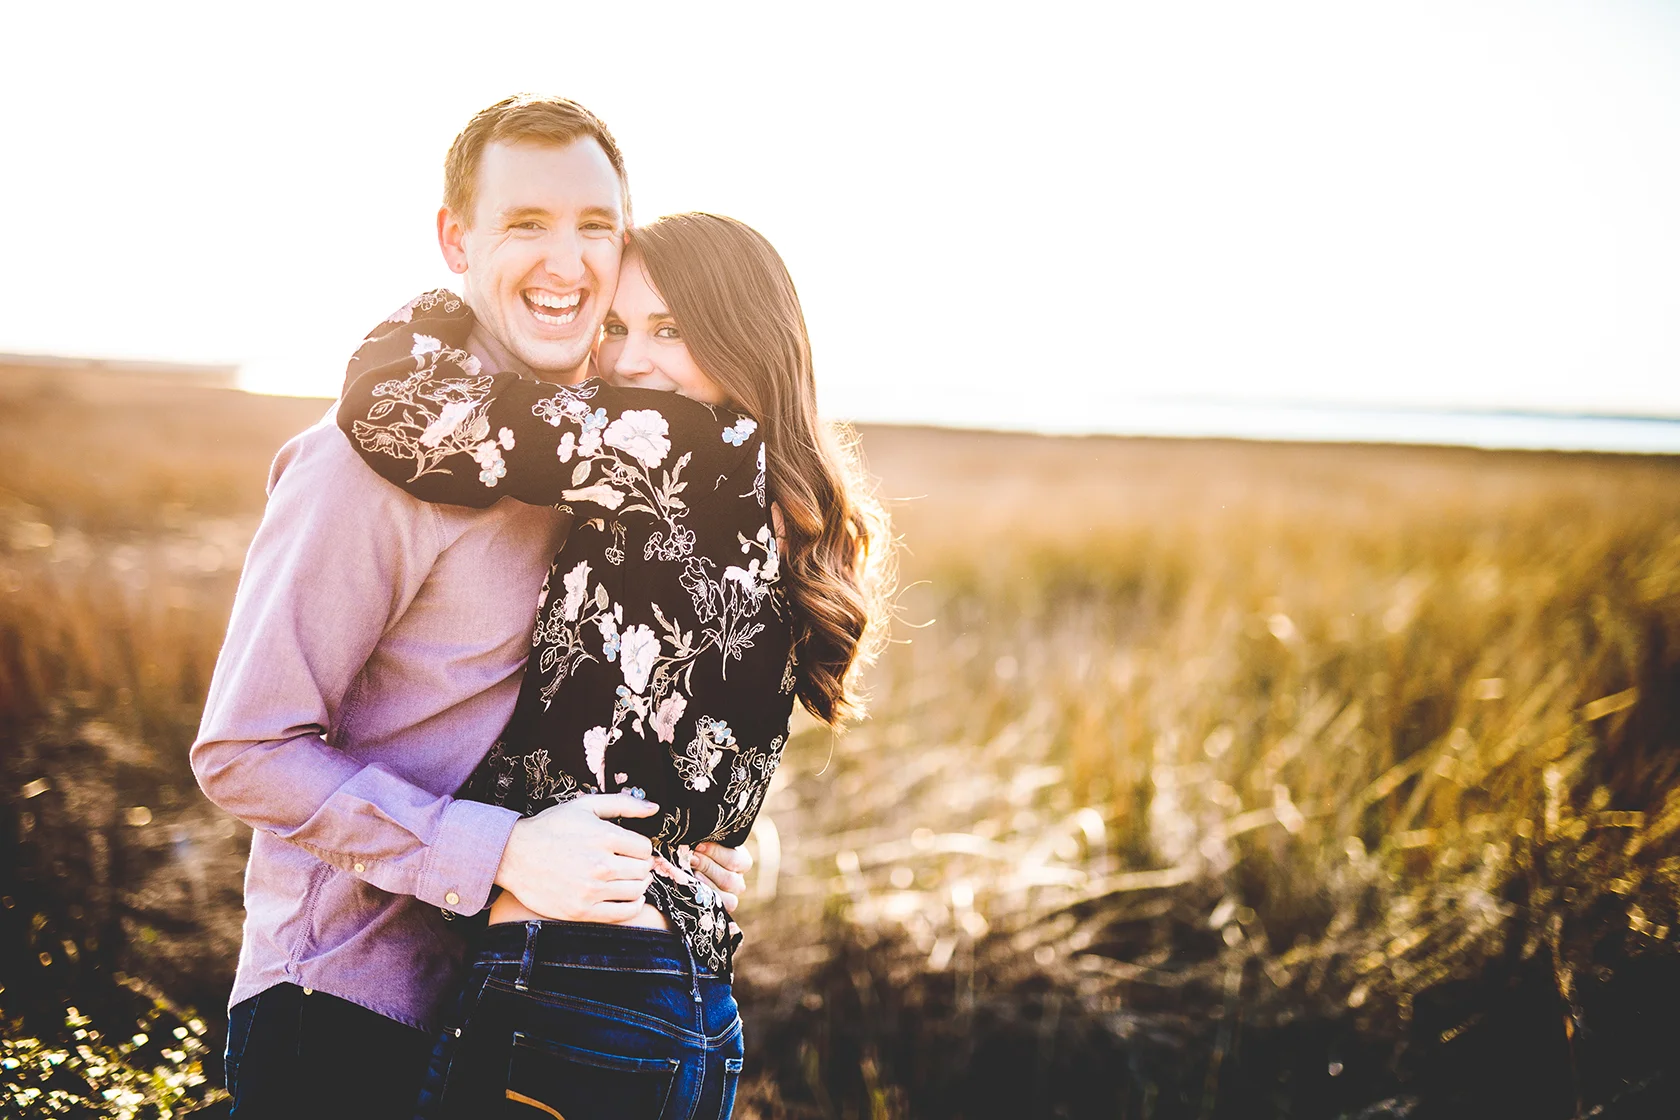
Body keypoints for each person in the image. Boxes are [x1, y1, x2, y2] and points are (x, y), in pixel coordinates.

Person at [191, 96, 753, 1118]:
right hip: (352, 1002)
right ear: (456, 239)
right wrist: (499, 850)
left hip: (536, 998)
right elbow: (244, 750)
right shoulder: (359, 471)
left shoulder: (607, 454)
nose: (567, 261)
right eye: (525, 223)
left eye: (596, 226)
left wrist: (700, 818)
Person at [334, 212, 890, 1118]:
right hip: (684, 998)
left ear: (746, 338)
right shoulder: (778, 493)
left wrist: (459, 295)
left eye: (672, 331)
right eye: (617, 328)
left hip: (572, 983)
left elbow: (402, 415)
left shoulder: (674, 444)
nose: (633, 361)